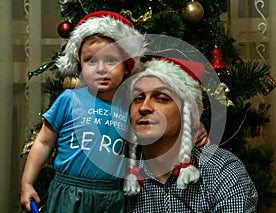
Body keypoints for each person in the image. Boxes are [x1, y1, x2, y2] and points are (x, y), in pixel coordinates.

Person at [20, 11, 146, 213]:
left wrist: (196, 127)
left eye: (111, 61)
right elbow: (43, 142)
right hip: (69, 192)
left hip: (112, 196)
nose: (101, 69)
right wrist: (27, 183)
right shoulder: (70, 99)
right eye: (91, 61)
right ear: (79, 67)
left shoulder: (130, 106)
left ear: (126, 67)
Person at [122, 58, 258, 212]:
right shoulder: (119, 172)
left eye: (161, 99)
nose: (144, 107)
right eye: (138, 98)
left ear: (188, 114)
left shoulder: (220, 170)